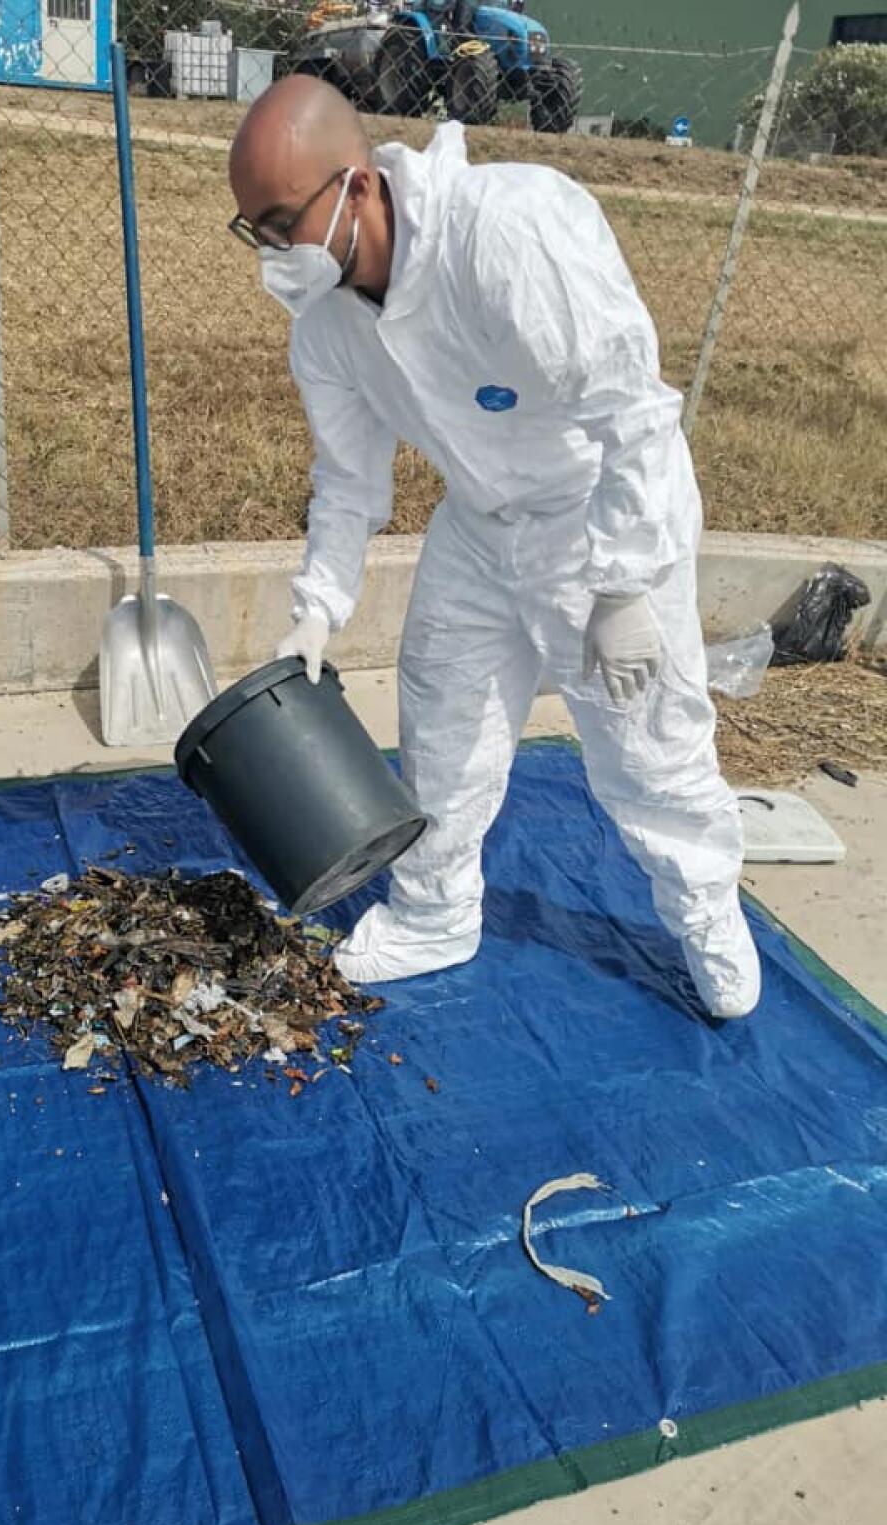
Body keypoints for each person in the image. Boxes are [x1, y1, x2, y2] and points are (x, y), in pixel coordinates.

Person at [227, 77, 760, 1019]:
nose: (272, 252)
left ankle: (706, 908)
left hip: (597, 514)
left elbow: (634, 413)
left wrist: (627, 584)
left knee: (647, 748)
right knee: (440, 717)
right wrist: (319, 605)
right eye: (255, 231)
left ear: (355, 187)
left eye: (280, 222)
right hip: (481, 527)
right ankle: (435, 912)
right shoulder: (328, 330)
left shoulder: (508, 233)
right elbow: (348, 480)